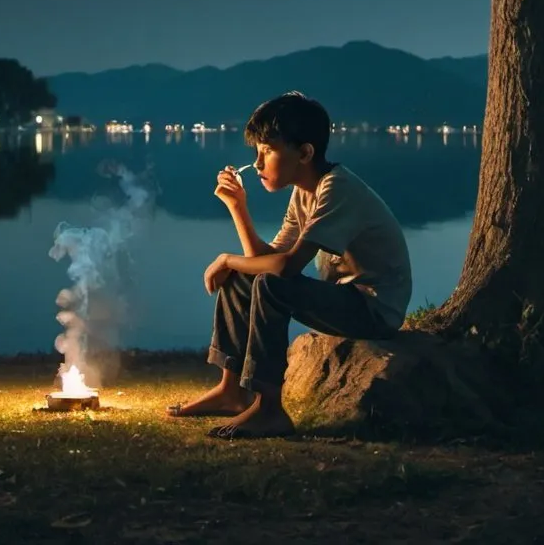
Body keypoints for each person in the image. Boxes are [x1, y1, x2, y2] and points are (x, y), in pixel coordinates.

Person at [167, 91, 412, 439]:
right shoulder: (304, 192)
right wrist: (238, 207)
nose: (257, 162)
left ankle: (269, 410)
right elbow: (266, 259)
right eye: (257, 152)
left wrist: (224, 258)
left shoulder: (337, 189)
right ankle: (231, 391)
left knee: (268, 282)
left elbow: (285, 267)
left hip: (372, 310)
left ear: (305, 153)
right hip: (341, 299)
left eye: (267, 150)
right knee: (242, 277)